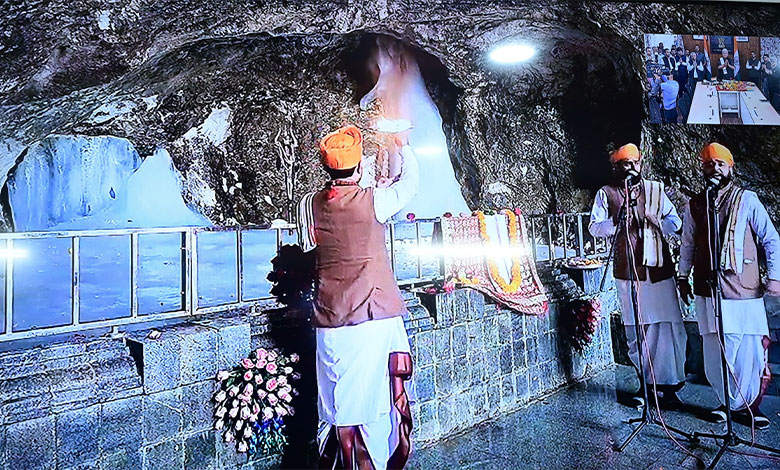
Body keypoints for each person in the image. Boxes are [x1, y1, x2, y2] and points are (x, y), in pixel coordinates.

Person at [297, 124, 419, 469]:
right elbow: (410, 185)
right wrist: (402, 146)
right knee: (373, 402)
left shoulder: (309, 204)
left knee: (334, 405)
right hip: (370, 315)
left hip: (329, 317)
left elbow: (310, 246)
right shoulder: (375, 201)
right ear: (359, 167)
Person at [678, 143, 780, 430]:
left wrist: (775, 277)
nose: (715, 168)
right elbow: (687, 243)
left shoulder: (748, 199)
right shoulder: (695, 204)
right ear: (703, 169)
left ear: (730, 167)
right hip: (708, 291)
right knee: (715, 350)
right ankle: (725, 403)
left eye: (720, 164)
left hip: (742, 290)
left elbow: (771, 239)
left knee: (747, 351)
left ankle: (749, 407)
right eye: (709, 164)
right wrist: (682, 276)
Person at [590, 144, 687, 409]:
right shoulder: (606, 193)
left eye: (634, 162)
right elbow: (594, 227)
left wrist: (658, 221)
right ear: (617, 167)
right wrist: (614, 224)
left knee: (667, 329)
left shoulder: (655, 190)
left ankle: (669, 389)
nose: (631, 167)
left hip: (658, 271)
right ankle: (645, 385)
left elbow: (675, 223)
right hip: (627, 274)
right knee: (637, 330)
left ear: (641, 163)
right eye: (625, 164)